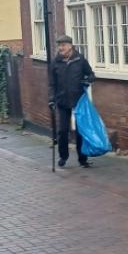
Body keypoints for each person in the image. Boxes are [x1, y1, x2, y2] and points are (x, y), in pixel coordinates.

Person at [48, 35, 95, 168]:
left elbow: (91, 74)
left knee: (81, 130)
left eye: (63, 45)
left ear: (70, 46)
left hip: (79, 100)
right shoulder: (55, 62)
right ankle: (63, 156)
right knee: (62, 131)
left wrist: (88, 80)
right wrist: (51, 99)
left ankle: (82, 158)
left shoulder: (80, 60)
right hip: (62, 100)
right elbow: (52, 84)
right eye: (59, 45)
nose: (61, 48)